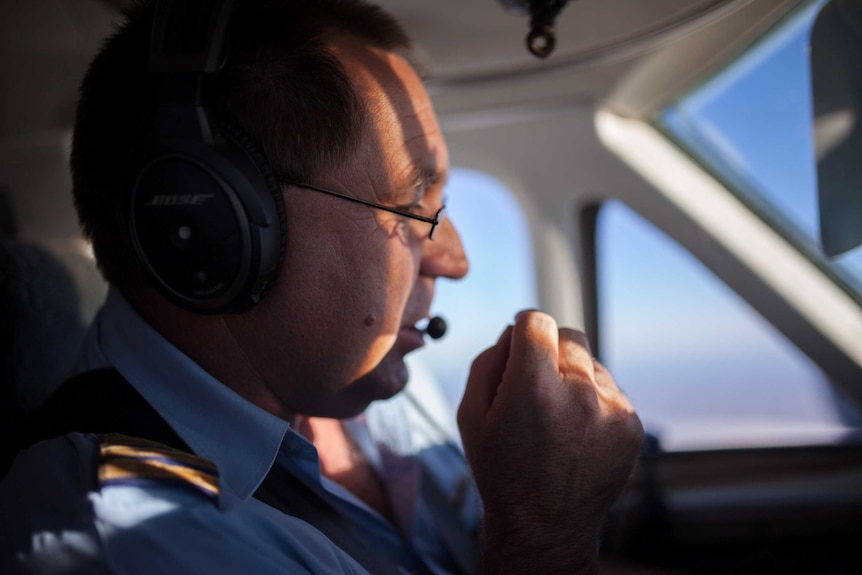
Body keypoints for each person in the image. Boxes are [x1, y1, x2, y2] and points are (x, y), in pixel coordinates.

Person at [0, 0, 644, 573]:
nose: (453, 262)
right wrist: (543, 535)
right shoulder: (124, 532)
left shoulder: (366, 379)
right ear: (204, 226)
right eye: (413, 205)